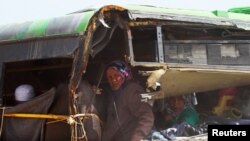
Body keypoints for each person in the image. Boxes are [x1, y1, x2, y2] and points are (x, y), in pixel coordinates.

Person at [101, 60, 154, 141]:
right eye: (110, 77)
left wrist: (137, 138)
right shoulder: (114, 94)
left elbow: (147, 117)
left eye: (116, 75)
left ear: (124, 74)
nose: (113, 80)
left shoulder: (131, 90)